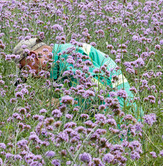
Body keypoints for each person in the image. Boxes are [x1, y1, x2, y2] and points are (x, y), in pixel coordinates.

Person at [13, 37, 143, 120]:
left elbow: (95, 93)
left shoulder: (70, 56)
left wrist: (55, 105)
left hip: (121, 118)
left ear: (34, 56)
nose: (31, 75)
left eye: (26, 69)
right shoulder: (58, 66)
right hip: (113, 117)